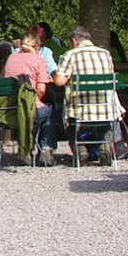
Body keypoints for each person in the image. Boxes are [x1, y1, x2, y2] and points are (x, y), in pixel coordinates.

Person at [52, 26, 119, 163]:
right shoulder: (105, 54)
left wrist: (54, 73)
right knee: (105, 118)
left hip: (80, 109)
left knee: (65, 118)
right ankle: (104, 146)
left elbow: (59, 82)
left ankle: (80, 148)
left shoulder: (70, 54)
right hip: (106, 107)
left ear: (74, 41)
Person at [1, 33, 56, 165]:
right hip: (28, 109)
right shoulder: (38, 59)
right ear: (37, 46)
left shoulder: (11, 58)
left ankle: (24, 150)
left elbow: (3, 79)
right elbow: (41, 90)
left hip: (10, 110)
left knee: (35, 113)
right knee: (49, 111)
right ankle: (45, 151)